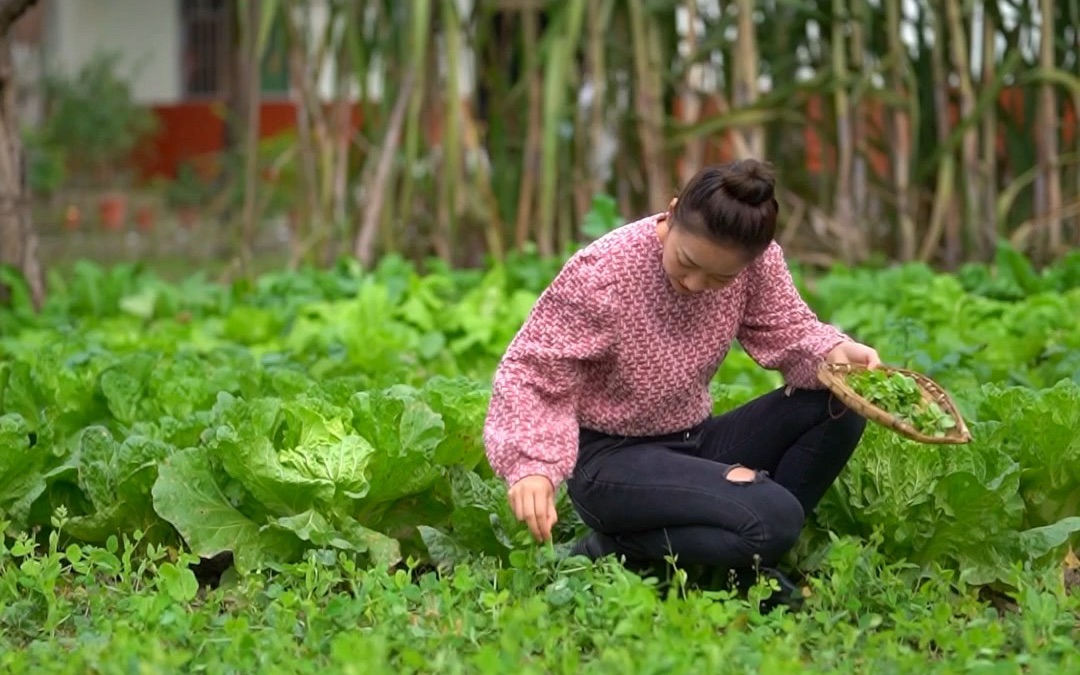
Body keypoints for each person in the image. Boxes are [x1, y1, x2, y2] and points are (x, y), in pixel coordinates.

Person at [482, 159, 878, 604]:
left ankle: (744, 552)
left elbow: (786, 329)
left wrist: (833, 353)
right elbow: (533, 369)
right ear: (671, 214)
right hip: (611, 462)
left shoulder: (758, 265)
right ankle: (624, 547)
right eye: (687, 262)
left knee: (839, 406)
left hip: (693, 441)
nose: (694, 283)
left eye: (719, 278)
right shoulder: (603, 275)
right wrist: (532, 465)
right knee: (776, 516)